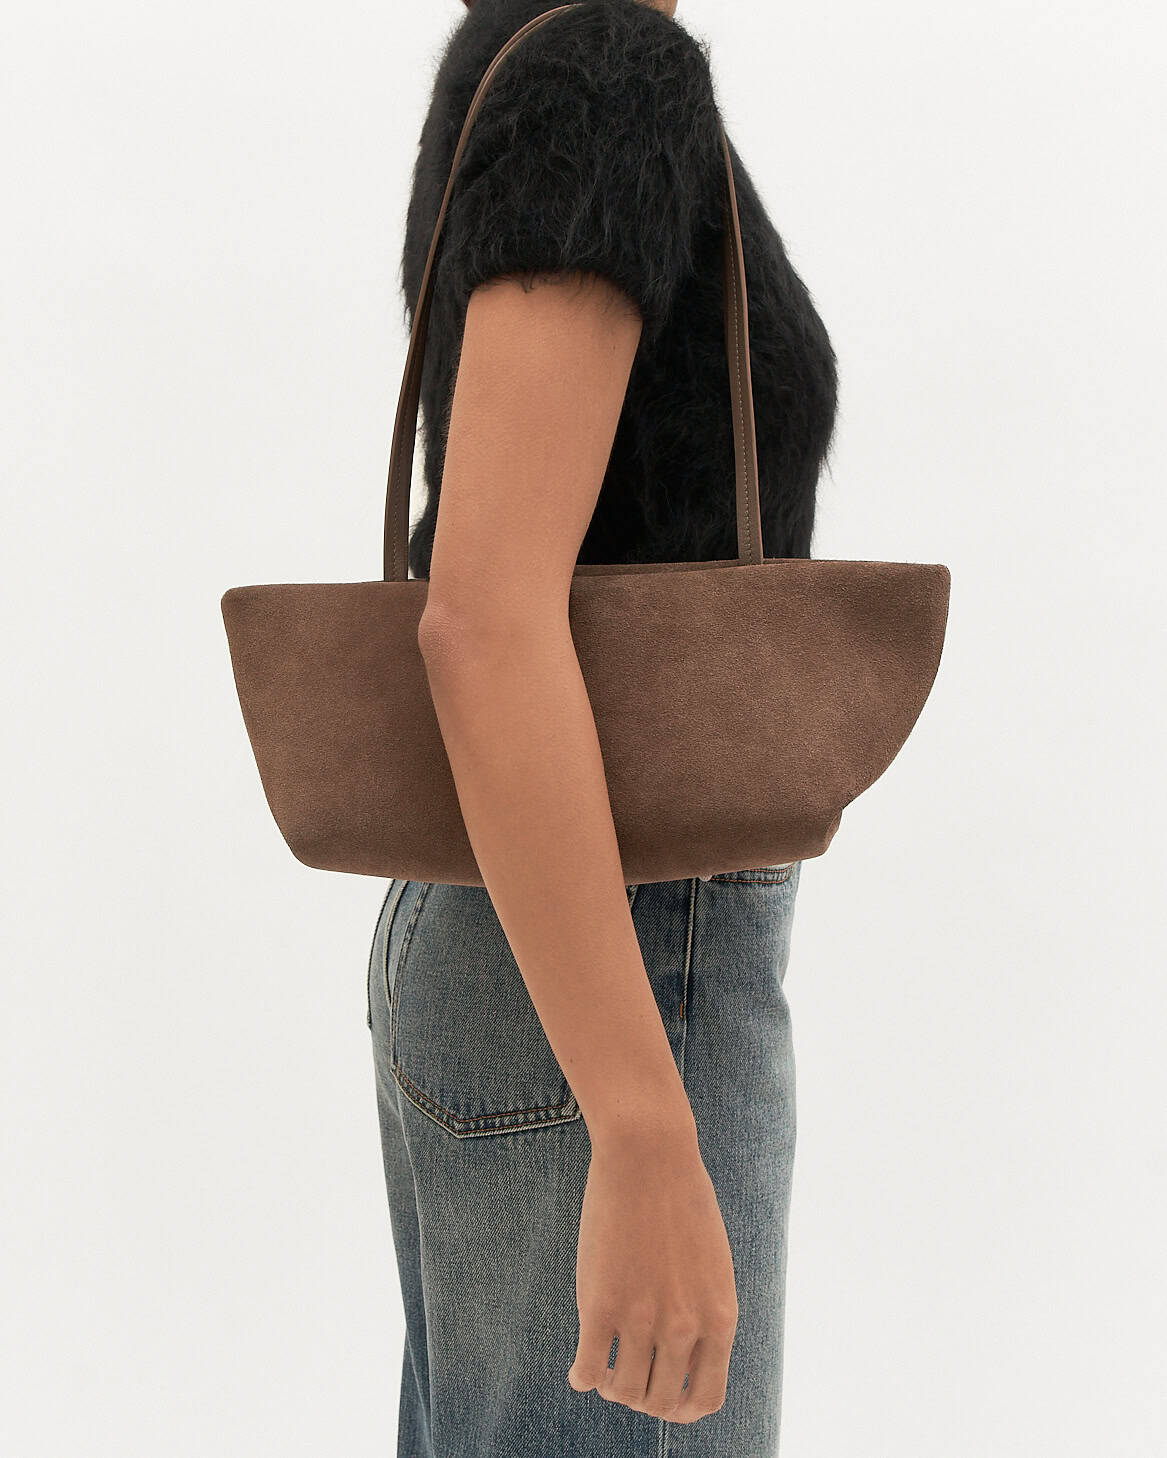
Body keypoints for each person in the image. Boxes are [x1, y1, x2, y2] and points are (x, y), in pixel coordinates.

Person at [365, 1, 838, 1453]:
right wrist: (640, 1124)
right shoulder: (604, 70)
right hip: (620, 962)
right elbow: (486, 617)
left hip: (544, 942)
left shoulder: (530, 47)